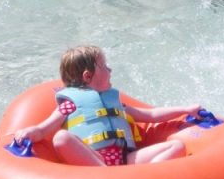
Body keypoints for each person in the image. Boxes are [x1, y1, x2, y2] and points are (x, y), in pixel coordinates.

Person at [14, 45, 201, 166]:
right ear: (88, 76)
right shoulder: (69, 105)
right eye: (104, 66)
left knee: (176, 147)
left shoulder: (115, 102)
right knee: (61, 138)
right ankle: (107, 177)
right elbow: (44, 129)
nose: (110, 70)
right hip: (95, 160)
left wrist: (185, 109)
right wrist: (29, 133)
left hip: (126, 161)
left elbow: (150, 116)